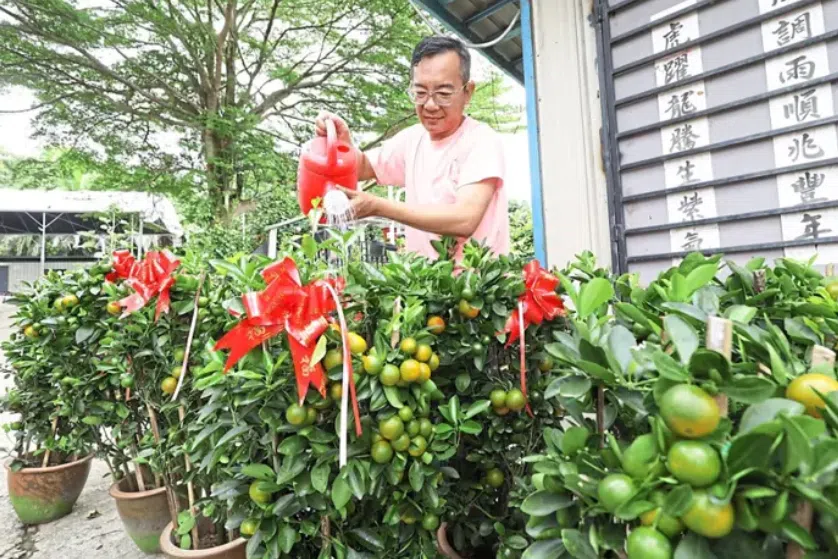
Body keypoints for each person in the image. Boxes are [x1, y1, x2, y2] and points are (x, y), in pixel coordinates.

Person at [315, 35, 510, 260]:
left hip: (476, 287)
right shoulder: (412, 139)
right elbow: (362, 168)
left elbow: (465, 218)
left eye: (443, 94)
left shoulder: (482, 141)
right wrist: (343, 144)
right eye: (420, 92)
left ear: (468, 92)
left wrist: (378, 206)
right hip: (423, 285)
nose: (430, 104)